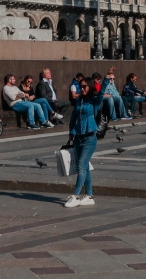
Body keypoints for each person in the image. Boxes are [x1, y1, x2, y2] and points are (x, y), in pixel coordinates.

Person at [63, 78, 101, 208]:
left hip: (90, 138)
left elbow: (101, 95)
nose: (82, 89)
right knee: (85, 168)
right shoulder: (79, 100)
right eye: (81, 86)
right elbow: (74, 117)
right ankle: (89, 196)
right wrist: (71, 133)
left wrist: (106, 78)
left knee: (81, 166)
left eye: (85, 86)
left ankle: (75, 195)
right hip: (78, 137)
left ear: (90, 87)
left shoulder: (94, 101)